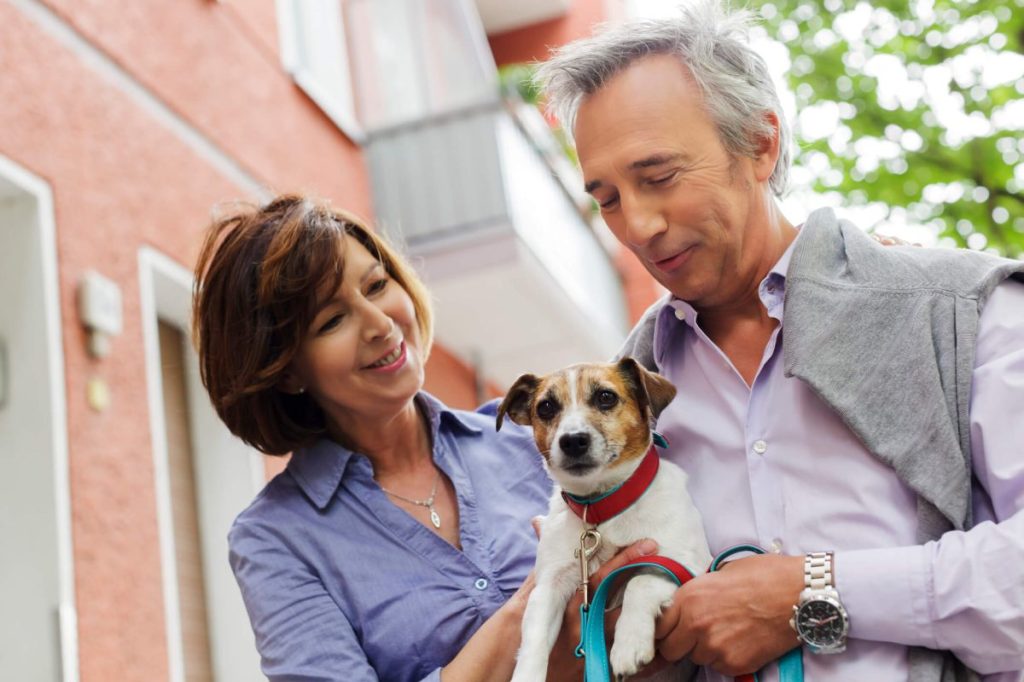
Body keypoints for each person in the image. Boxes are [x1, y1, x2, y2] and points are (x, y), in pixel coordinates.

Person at [534, 2, 1024, 681]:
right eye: (608, 198)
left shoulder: (960, 313)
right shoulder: (622, 398)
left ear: (760, 144)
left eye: (659, 177)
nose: (638, 224)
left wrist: (809, 590)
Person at [192, 195, 636, 681]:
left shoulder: (527, 444)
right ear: (285, 371)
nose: (381, 325)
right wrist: (533, 608)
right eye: (332, 321)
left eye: (377, 285)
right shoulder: (276, 539)